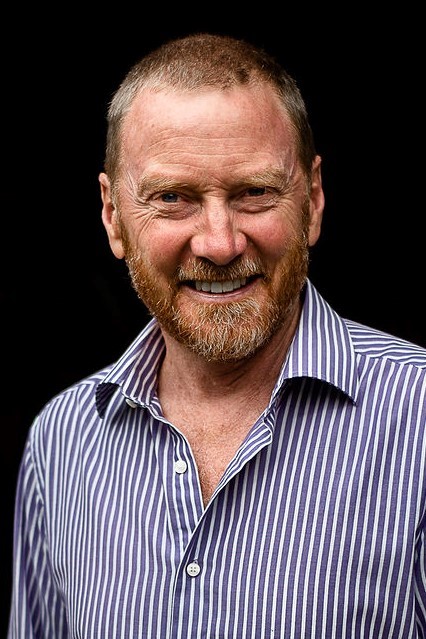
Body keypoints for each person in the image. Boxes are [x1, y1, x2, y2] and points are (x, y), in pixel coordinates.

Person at [7, 32, 426, 639]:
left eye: (255, 192)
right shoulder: (61, 444)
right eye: (172, 198)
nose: (219, 242)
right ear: (112, 215)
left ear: (312, 201)